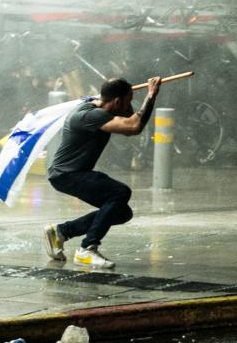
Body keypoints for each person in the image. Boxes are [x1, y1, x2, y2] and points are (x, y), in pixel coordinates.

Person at [44, 76, 161, 269]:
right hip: (66, 174)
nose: (130, 105)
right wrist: (151, 95)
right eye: (128, 101)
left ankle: (61, 232)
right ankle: (87, 249)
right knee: (120, 192)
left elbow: (128, 120)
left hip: (71, 173)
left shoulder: (100, 108)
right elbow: (133, 126)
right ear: (116, 101)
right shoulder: (91, 115)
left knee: (122, 212)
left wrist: (126, 97)